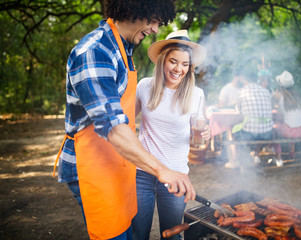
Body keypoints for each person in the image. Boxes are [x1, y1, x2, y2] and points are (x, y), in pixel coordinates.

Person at [52, 1, 196, 239]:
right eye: (152, 20)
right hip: (94, 166)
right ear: (133, 8)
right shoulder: (95, 50)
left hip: (118, 163)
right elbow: (114, 128)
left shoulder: (122, 49)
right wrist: (162, 170)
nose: (155, 29)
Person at [131, 30, 210, 240]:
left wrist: (205, 134)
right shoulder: (145, 86)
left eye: (185, 64)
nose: (178, 69)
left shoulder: (196, 94)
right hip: (142, 173)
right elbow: (125, 122)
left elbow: (198, 136)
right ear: (162, 60)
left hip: (176, 176)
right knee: (138, 234)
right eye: (173, 61)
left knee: (173, 236)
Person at [227, 71, 273, 169]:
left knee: (231, 131)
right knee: (257, 126)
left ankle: (235, 161)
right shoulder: (266, 91)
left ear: (244, 79)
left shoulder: (241, 92)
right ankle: (256, 155)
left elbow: (239, 113)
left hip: (250, 132)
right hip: (267, 132)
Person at [272, 70, 301, 167]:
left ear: (280, 85)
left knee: (275, 131)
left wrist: (274, 96)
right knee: (289, 124)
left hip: (291, 131)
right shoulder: (297, 96)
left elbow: (272, 106)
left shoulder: (279, 96)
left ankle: (279, 159)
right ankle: (291, 154)